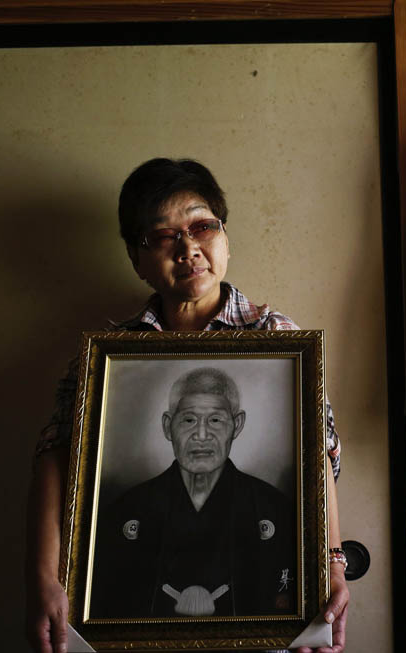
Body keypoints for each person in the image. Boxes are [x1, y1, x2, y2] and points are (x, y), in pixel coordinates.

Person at [25, 158, 349, 653]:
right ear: (137, 259)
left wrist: (331, 568)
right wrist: (43, 580)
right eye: (163, 236)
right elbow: (54, 458)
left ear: (225, 238)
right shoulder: (107, 354)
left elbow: (318, 456)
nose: (188, 249)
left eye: (202, 227)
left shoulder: (275, 335)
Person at [90, 367, 296, 618]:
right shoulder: (127, 510)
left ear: (237, 424)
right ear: (168, 426)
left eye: (215, 420)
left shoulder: (274, 509)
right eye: (189, 420)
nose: (201, 435)